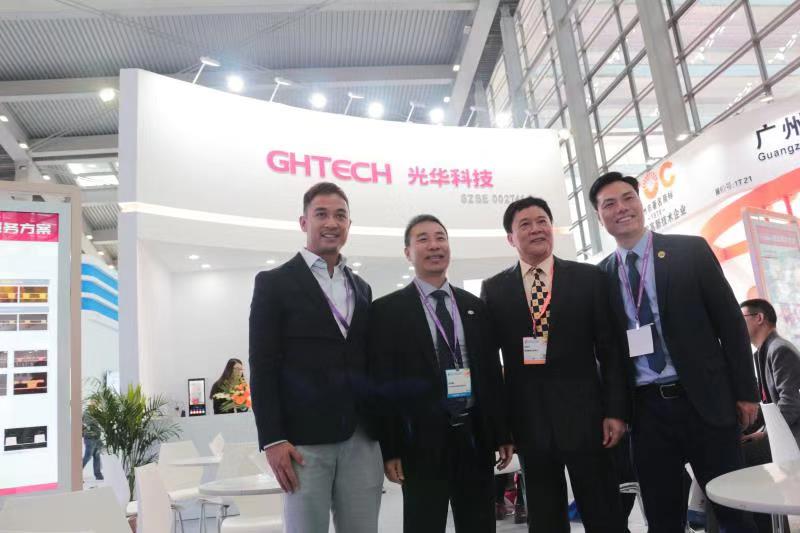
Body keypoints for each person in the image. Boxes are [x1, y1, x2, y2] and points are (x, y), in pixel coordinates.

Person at [590, 171, 759, 533]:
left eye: (628, 198)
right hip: (646, 412)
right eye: (609, 204)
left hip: (705, 402)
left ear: (640, 202)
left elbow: (730, 323)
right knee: (662, 517)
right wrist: (615, 412)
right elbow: (608, 353)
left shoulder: (689, 251)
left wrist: (746, 392)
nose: (621, 208)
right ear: (599, 217)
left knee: (733, 510)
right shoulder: (600, 277)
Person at [480, 196, 628, 533]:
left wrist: (616, 411)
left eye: (542, 221)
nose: (536, 229)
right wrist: (502, 430)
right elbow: (490, 367)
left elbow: (610, 351)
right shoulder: (495, 289)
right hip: (529, 424)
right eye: (525, 224)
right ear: (511, 238)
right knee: (545, 519)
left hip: (589, 420)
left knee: (604, 512)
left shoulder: (588, 279)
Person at [248, 182, 383, 533]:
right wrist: (273, 439)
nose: (331, 223)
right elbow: (262, 365)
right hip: (303, 442)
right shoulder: (274, 283)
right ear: (303, 222)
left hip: (361, 438)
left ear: (349, 225)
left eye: (340, 215)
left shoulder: (361, 287)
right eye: (321, 214)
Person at [369, 215, 513, 533]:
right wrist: (390, 448)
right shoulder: (387, 311)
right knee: (424, 523)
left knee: (479, 524)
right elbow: (383, 386)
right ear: (408, 252)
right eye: (423, 239)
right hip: (420, 442)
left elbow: (490, 373)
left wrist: (502, 433)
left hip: (474, 436)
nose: (434, 245)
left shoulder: (475, 307)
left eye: (440, 237)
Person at [740, 298, 800, 533]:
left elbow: (790, 405)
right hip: (783, 434)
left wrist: (764, 434)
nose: (737, 324)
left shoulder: (779, 350)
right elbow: (765, 405)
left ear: (759, 318)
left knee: (741, 459)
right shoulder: (764, 352)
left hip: (793, 438)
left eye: (741, 318)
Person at [82, 406, 103, 481]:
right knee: (87, 457)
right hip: (90, 439)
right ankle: (76, 474)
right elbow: (89, 424)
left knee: (97, 457)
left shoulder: (95, 414)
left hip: (96, 438)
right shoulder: (86, 414)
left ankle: (98, 475)